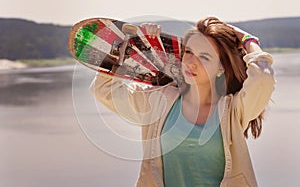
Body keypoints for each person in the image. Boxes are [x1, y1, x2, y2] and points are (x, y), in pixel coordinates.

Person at [90, 17, 275, 187]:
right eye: (188, 52)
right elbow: (104, 90)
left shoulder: (233, 111)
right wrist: (134, 44)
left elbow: (262, 78)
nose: (191, 62)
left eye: (204, 57)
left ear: (221, 67)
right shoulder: (159, 101)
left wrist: (249, 41)